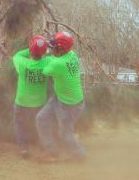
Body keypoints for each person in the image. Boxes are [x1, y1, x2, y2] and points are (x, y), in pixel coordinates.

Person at [36, 31, 86, 162]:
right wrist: (52, 48)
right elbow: (56, 57)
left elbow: (45, 71)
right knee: (41, 119)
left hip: (70, 105)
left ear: (61, 48)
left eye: (54, 46)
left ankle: (80, 155)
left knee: (65, 134)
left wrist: (45, 54)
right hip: (60, 98)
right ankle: (51, 151)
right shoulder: (72, 55)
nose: (52, 49)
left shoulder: (58, 65)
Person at [12, 35, 51, 159]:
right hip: (39, 102)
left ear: (31, 51)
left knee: (19, 124)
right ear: (43, 52)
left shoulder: (22, 62)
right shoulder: (47, 62)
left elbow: (17, 55)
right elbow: (54, 55)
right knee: (40, 123)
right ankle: (42, 145)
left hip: (22, 101)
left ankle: (24, 148)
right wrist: (46, 45)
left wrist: (31, 48)